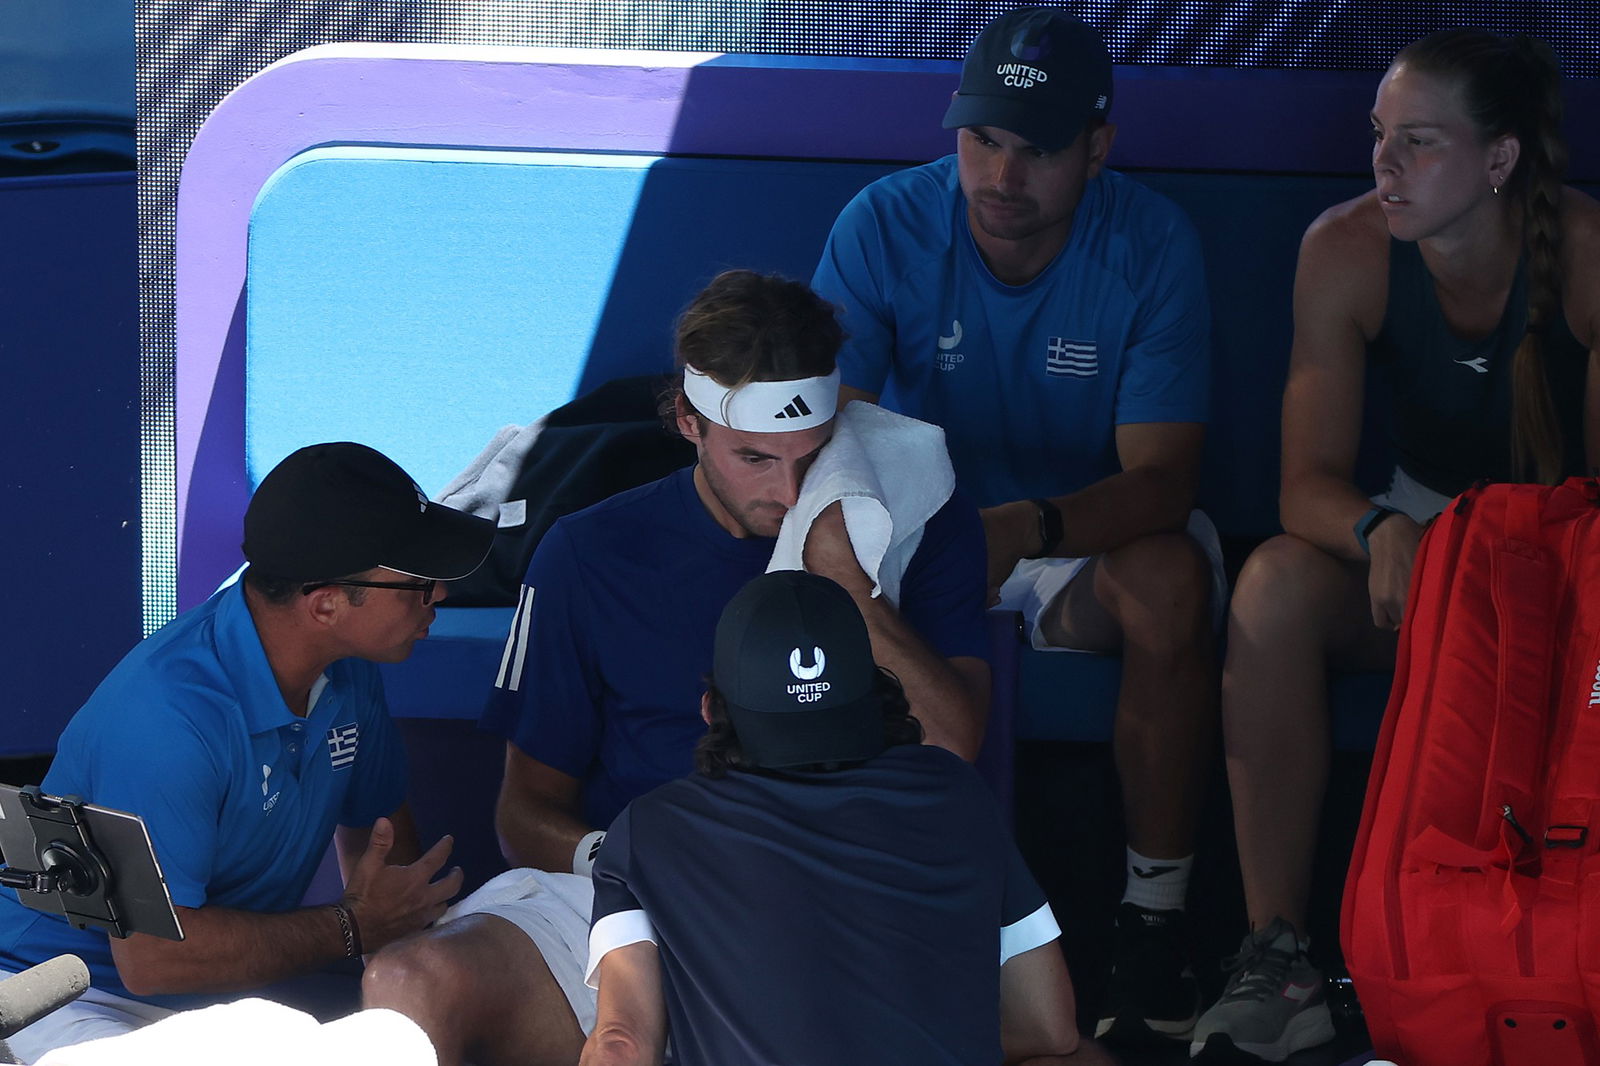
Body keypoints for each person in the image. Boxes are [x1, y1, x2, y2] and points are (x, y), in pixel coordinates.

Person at [361, 270, 991, 1066]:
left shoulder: (916, 515)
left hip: (850, 893)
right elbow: (525, 812)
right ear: (688, 423)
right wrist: (631, 869)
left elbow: (953, 748)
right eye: (756, 459)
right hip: (635, 893)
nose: (789, 491)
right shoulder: (589, 552)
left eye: (814, 453)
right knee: (410, 983)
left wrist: (845, 582)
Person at [811, 6, 1219, 1045]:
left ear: (1096, 148)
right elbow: (828, 439)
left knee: (1173, 579)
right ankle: (849, 918)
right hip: (920, 539)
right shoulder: (884, 221)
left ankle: (1153, 922)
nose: (1000, 175)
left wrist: (1024, 527)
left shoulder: (1149, 239)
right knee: (811, 565)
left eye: (1034, 149)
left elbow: (1163, 479)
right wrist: (942, 541)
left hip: (1070, 546)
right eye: (981, 138)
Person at [1195, 30, 1600, 1062]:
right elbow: (1302, 489)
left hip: (1560, 582)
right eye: (1378, 135)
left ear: (1499, 161)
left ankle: (1560, 945)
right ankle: (1277, 957)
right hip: (1419, 548)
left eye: (1417, 142)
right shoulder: (1344, 248)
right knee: (1274, 584)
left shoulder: (1589, 258)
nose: (1382, 164)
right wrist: (1383, 529)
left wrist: (1487, 569)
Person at [0, 442, 496, 1061]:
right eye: (419, 584)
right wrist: (354, 926)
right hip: (67, 1000)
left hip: (226, 1000)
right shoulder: (167, 718)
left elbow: (380, 841)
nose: (440, 596)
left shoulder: (348, 667)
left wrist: (400, 956)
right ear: (327, 604)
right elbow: (154, 960)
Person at [581, 569, 1106, 1066]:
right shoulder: (957, 791)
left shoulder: (647, 829)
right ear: (873, 694)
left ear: (710, 710)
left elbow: (621, 1047)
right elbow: (1050, 1025)